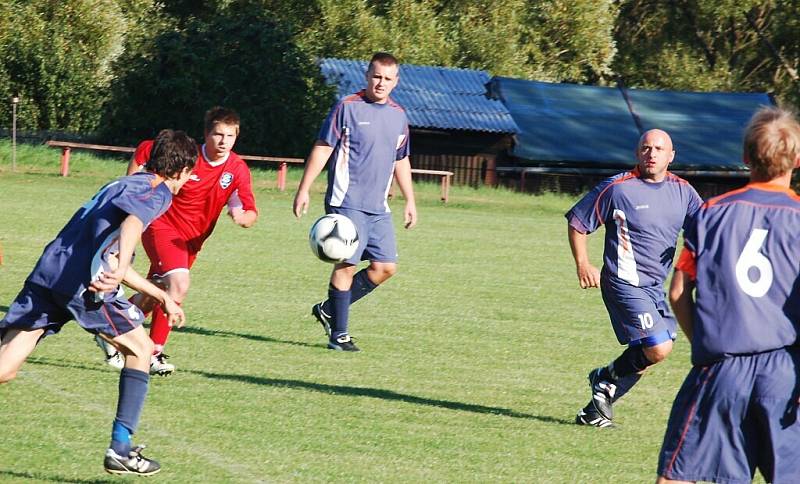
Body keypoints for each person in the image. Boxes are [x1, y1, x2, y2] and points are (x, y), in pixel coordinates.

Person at [0, 129, 196, 476]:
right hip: (82, 285)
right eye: (188, 174)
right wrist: (122, 268)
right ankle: (121, 448)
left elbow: (107, 241)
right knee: (141, 349)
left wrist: (157, 293)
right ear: (179, 170)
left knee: (6, 368)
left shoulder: (122, 183)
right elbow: (133, 224)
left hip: (50, 271)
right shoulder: (159, 190)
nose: (187, 181)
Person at [657, 107, 800, 483]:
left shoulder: (711, 213)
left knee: (678, 475)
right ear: (797, 160)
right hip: (786, 371)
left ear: (745, 158)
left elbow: (677, 291)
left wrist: (706, 347)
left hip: (722, 366)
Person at [96, 107, 259, 375]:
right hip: (162, 225)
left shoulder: (237, 169)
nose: (223, 141)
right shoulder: (188, 155)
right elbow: (147, 148)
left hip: (191, 241)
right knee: (179, 285)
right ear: (206, 134)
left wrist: (243, 217)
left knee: (158, 291)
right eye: (218, 134)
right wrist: (133, 180)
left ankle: (111, 327)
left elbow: (250, 210)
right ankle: (152, 352)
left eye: (230, 136)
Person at [565, 129, 702, 427]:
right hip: (622, 282)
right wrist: (583, 263)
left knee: (651, 352)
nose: (652, 154)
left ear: (671, 155)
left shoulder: (684, 192)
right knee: (657, 346)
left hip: (655, 287)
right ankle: (604, 377)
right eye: (646, 148)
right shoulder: (618, 188)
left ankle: (594, 411)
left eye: (658, 149)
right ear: (637, 153)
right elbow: (578, 222)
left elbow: (703, 232)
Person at [293, 52, 417, 352]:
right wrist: (304, 189)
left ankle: (329, 310)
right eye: (377, 76)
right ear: (367, 76)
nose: (381, 83)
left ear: (396, 82)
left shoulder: (399, 116)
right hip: (346, 202)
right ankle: (340, 335)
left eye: (388, 78)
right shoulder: (347, 107)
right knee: (346, 263)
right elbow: (323, 148)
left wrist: (410, 200)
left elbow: (401, 160)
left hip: (379, 208)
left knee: (385, 267)